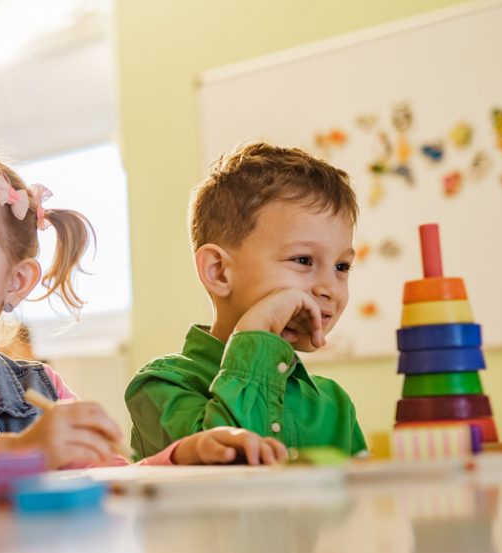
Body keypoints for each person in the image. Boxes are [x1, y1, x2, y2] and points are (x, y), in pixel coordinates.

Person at [0, 154, 285, 468]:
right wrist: (22, 449)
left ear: (16, 281)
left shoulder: (43, 387)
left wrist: (185, 456)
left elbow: (114, 477)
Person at [126, 141, 366, 458]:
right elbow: (224, 471)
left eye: (341, 267)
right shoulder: (161, 385)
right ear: (219, 271)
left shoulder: (335, 404)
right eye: (304, 260)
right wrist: (255, 336)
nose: (330, 288)